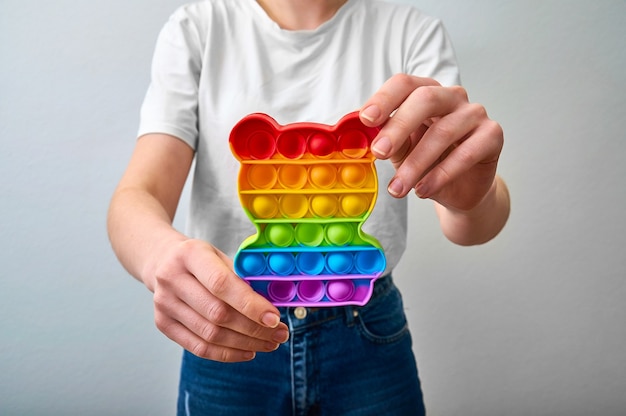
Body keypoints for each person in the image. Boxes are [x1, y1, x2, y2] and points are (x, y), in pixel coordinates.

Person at [107, 0, 510, 414]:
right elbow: (138, 196)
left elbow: (469, 225)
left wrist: (469, 198)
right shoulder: (198, 28)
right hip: (227, 322)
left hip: (366, 331)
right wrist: (160, 257)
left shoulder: (411, 33)